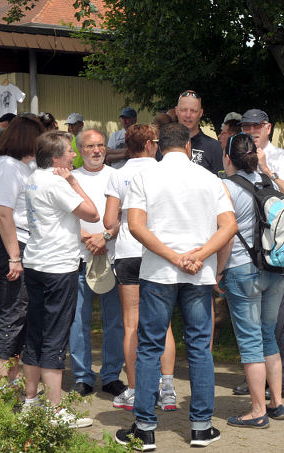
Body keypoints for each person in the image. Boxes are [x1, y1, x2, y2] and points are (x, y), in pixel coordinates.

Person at [114, 123, 237, 450]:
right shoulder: (210, 178)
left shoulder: (144, 177)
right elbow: (230, 226)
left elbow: (136, 226)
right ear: (187, 147)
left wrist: (172, 256)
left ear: (157, 147)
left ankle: (144, 428)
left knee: (150, 346)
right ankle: (200, 426)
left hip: (158, 274)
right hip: (198, 273)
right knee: (199, 347)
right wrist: (200, 255)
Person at [21, 130, 98, 428]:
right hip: (58, 267)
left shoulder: (33, 178)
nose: (74, 156)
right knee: (55, 336)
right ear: (55, 158)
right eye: (69, 151)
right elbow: (92, 214)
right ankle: (55, 412)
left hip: (36, 262)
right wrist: (74, 181)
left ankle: (31, 402)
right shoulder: (57, 182)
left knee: (36, 332)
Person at [104, 124, 178, 412]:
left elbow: (110, 222)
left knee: (131, 323)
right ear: (149, 144)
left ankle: (134, 389)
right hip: (158, 250)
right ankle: (168, 389)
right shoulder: (163, 171)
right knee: (164, 322)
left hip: (128, 252)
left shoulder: (118, 174)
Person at [218, 132, 284, 428]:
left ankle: (257, 410)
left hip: (243, 270)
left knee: (249, 341)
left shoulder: (226, 188)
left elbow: (226, 236)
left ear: (228, 158)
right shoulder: (269, 182)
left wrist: (218, 271)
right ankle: (277, 403)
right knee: (267, 334)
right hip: (276, 267)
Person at [234, 108, 284, 399]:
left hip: (276, 250)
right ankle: (259, 382)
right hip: (250, 250)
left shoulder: (280, 157)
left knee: (277, 321)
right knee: (254, 323)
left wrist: (266, 171)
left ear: (269, 127)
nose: (252, 131)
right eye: (246, 127)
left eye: (257, 126)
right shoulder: (238, 154)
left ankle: (283, 379)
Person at [0, 115, 45, 383]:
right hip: (7, 243)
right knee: (11, 312)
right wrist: (14, 257)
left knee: (19, 312)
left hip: (16, 242)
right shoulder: (8, 167)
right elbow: (3, 214)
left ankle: (11, 378)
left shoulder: (21, 167)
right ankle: (0, 384)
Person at [68, 129, 126, 397]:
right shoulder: (70, 179)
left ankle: (112, 375)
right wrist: (88, 239)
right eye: (90, 146)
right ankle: (82, 376)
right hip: (78, 257)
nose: (96, 150)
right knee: (78, 320)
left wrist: (104, 237)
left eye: (101, 145)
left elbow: (124, 216)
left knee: (114, 321)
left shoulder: (117, 176)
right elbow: (64, 216)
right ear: (80, 149)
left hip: (111, 256)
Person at [175, 90, 223, 175]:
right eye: (183, 110)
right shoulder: (163, 144)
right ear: (176, 111)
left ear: (200, 113)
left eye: (193, 111)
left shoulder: (214, 147)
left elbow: (221, 184)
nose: (188, 115)